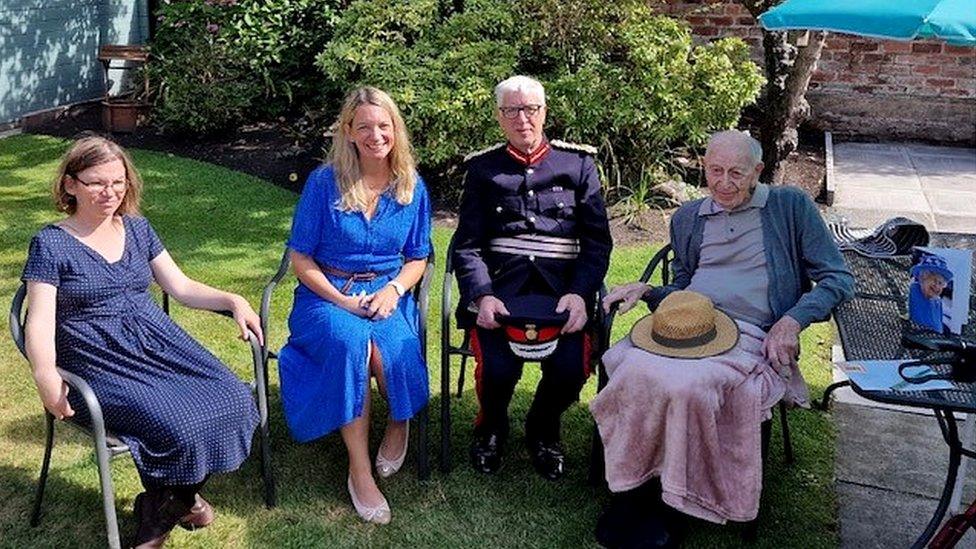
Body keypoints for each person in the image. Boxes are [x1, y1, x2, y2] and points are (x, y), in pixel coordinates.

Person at [595, 130, 854, 541]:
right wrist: (648, 291)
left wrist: (791, 320)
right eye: (715, 171)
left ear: (758, 172)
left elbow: (838, 278)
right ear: (704, 168)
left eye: (736, 173)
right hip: (689, 325)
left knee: (688, 387)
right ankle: (633, 485)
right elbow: (684, 284)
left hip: (751, 334)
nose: (724, 183)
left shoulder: (790, 207)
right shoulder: (687, 218)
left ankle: (675, 499)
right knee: (629, 368)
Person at [21, 136, 263, 548]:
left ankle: (167, 503)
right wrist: (45, 373)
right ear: (70, 184)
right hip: (96, 359)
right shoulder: (52, 243)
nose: (110, 193)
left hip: (157, 345)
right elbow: (39, 319)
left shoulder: (136, 228)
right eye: (97, 183)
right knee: (180, 424)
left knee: (235, 399)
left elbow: (180, 286)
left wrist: (233, 299)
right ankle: (161, 522)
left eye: (118, 182)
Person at [277, 87, 431, 524]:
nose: (375, 134)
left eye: (384, 126)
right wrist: (341, 298)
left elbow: (418, 257)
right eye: (364, 126)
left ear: (396, 130)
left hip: (385, 292)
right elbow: (301, 258)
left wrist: (395, 291)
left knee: (393, 351)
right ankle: (359, 470)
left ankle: (398, 422)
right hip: (325, 296)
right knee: (350, 346)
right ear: (348, 131)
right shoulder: (323, 183)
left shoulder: (411, 186)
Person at [452, 75, 612, 480]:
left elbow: (596, 243)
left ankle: (543, 430)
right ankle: (490, 428)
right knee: (498, 370)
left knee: (570, 368)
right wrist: (482, 295)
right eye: (512, 110)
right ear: (499, 116)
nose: (523, 118)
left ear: (544, 112)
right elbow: (467, 245)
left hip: (562, 291)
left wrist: (580, 294)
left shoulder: (577, 165)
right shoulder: (483, 170)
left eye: (531, 109)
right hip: (502, 290)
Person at [908, 253, 952, 333]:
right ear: (922, 277)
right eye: (934, 281)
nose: (937, 286)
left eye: (941, 283)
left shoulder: (938, 301)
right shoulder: (912, 290)